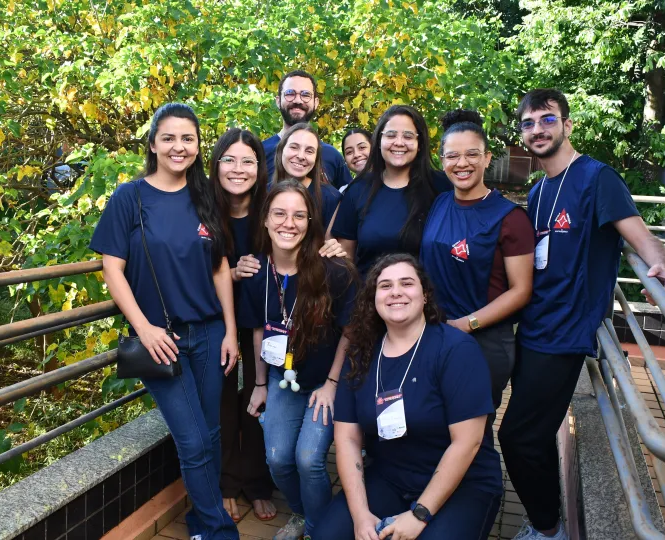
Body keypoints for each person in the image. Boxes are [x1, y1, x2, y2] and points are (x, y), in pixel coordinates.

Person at [499, 89, 665, 540]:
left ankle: (548, 528)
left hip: (565, 333)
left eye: (547, 119)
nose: (537, 129)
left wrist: (659, 266)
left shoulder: (598, 178)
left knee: (517, 438)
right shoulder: (538, 190)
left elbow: (642, 237)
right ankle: (546, 517)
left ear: (567, 125)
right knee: (534, 434)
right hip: (532, 325)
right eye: (528, 123)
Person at [90, 103, 240, 540]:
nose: (179, 146)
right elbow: (112, 268)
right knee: (193, 441)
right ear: (153, 144)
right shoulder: (129, 197)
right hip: (161, 339)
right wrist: (144, 328)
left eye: (188, 138)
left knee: (211, 433)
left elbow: (220, 267)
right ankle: (218, 530)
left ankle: (200, 520)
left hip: (210, 332)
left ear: (198, 146)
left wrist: (231, 331)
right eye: (169, 138)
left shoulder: (206, 196)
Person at [316, 254, 503, 540]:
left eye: (406, 283)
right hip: (390, 477)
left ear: (425, 295)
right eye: (385, 286)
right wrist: (360, 515)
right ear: (373, 299)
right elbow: (347, 439)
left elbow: (468, 442)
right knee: (329, 535)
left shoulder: (457, 350)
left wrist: (420, 514)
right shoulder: (360, 354)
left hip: (464, 483)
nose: (396, 292)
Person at [238, 181, 357, 540]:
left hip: (326, 381)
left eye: (299, 215)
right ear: (264, 220)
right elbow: (258, 331)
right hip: (282, 378)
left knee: (308, 459)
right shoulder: (256, 272)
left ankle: (319, 531)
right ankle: (305, 515)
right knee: (277, 458)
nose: (288, 223)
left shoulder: (334, 269)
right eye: (279, 213)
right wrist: (260, 384)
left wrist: (332, 385)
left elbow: (351, 331)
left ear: (310, 222)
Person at [420, 109, 534, 428]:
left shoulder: (510, 218)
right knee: (432, 427)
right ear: (442, 160)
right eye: (453, 156)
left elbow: (521, 290)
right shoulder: (440, 203)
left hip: (482, 342)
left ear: (487, 158)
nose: (462, 163)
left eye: (472, 154)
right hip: (434, 333)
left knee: (472, 434)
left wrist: (465, 325)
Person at [210, 128, 278, 523]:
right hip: (213, 320)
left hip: (264, 324)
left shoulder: (271, 209)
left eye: (248, 161)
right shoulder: (202, 208)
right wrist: (231, 273)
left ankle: (257, 483)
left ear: (259, 167)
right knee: (220, 404)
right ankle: (225, 484)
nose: (238, 169)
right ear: (216, 164)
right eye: (230, 160)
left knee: (258, 395)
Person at [331, 105, 453, 278]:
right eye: (391, 135)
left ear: (419, 144)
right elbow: (346, 259)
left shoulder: (442, 187)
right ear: (379, 141)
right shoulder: (357, 190)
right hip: (369, 292)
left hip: (429, 293)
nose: (399, 142)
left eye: (408, 136)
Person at [263, 69, 353, 189]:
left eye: (305, 95)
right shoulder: (261, 152)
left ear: (316, 103)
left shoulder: (332, 156)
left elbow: (350, 197)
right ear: (278, 101)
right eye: (290, 93)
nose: (297, 100)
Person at [272, 122, 343, 230]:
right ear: (281, 150)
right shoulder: (264, 192)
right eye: (294, 147)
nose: (301, 156)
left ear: (316, 158)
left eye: (309, 151)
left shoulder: (331, 198)